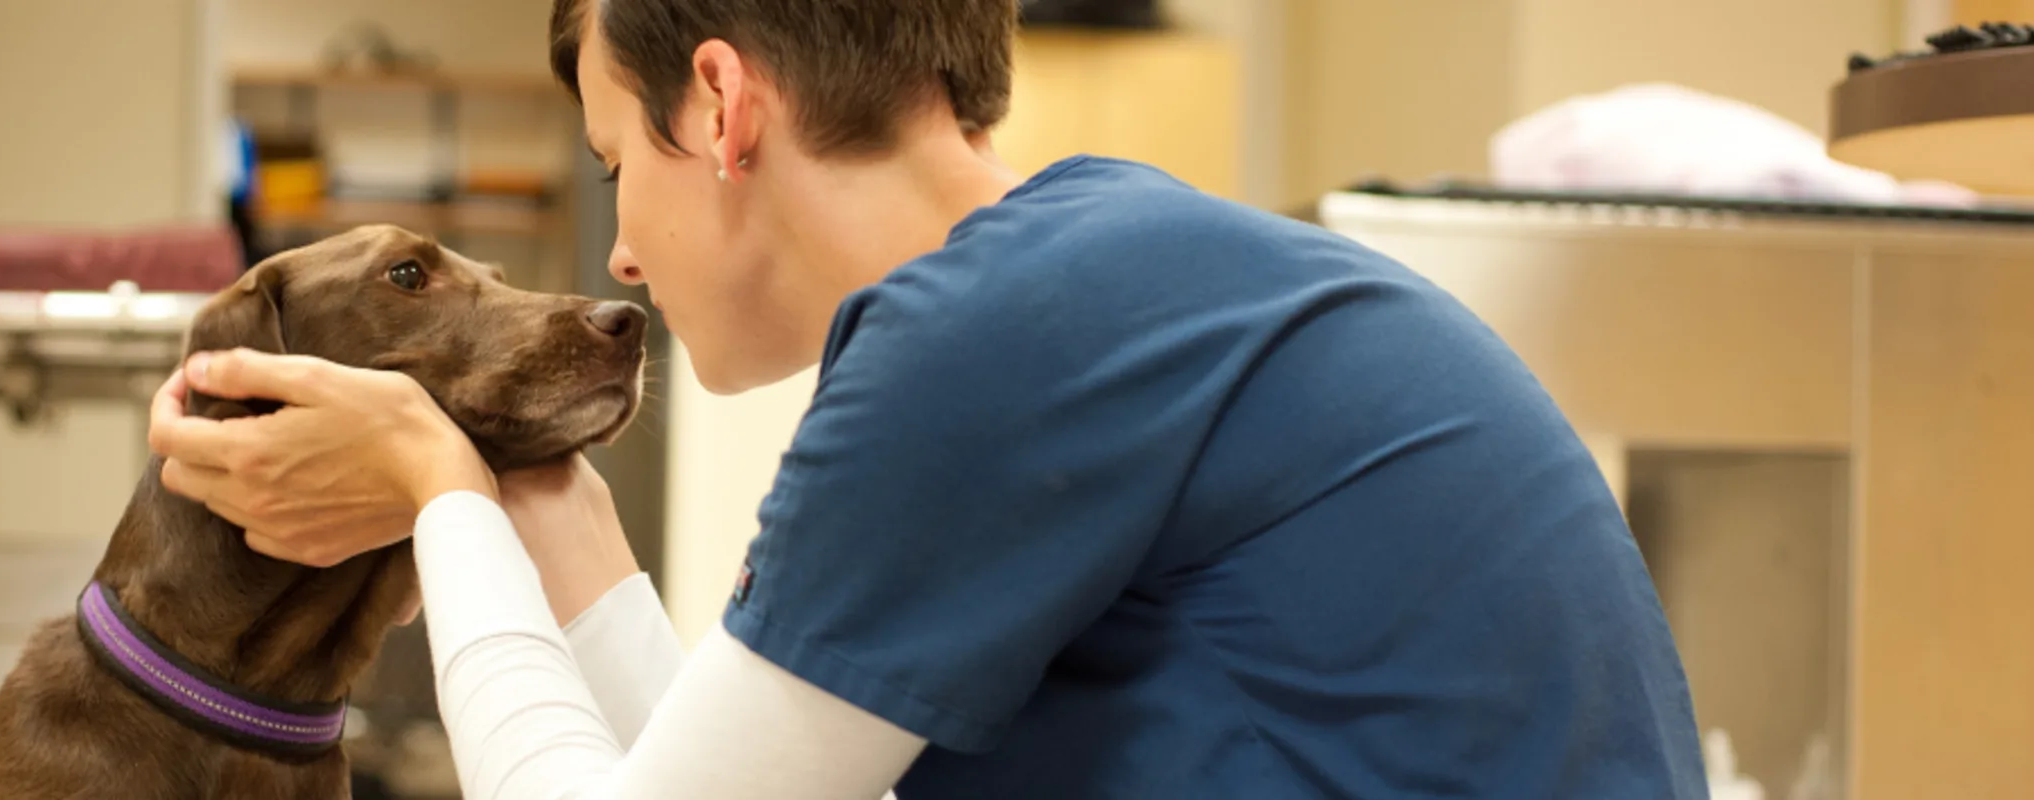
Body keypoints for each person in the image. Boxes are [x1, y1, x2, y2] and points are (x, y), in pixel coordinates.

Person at [146, 0, 1709, 796]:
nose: (618, 248)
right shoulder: (1069, 280)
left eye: (620, 167)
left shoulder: (998, 336)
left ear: (720, 98)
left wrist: (442, 490)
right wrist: (546, 507)